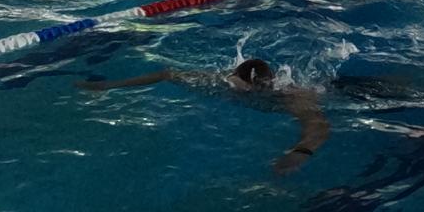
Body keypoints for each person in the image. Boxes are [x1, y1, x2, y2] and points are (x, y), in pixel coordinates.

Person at [78, 57, 329, 175]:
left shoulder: (292, 97)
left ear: (260, 87)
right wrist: (109, 86)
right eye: (233, 83)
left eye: (241, 88)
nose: (233, 89)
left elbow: (319, 126)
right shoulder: (222, 81)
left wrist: (299, 154)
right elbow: (166, 73)